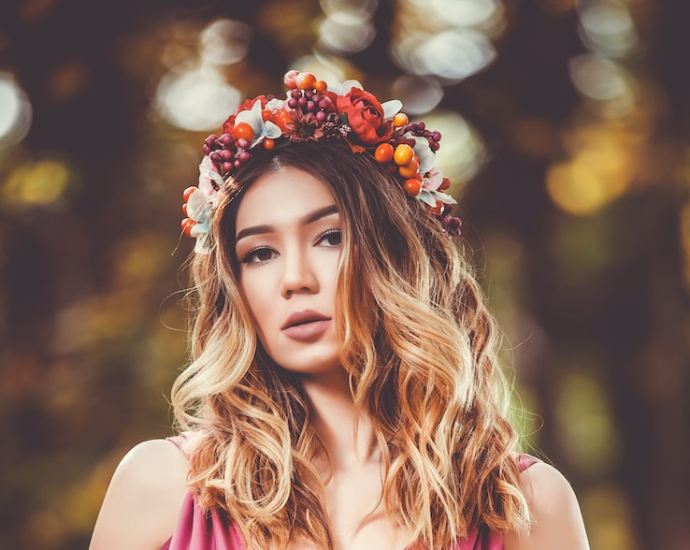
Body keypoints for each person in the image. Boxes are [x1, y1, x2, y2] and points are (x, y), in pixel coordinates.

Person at [89, 70, 590, 550]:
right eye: (260, 253)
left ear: (398, 259)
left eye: (330, 237)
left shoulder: (526, 505)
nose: (294, 279)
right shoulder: (160, 486)